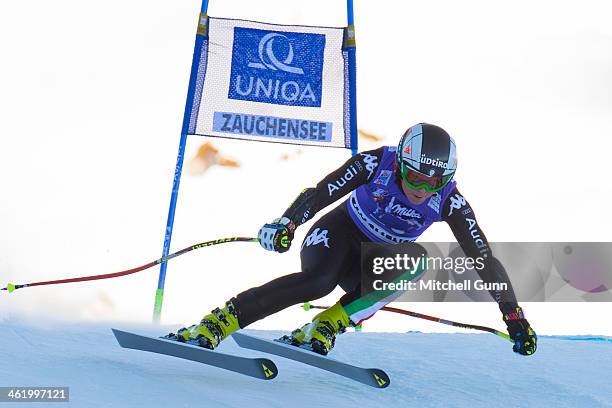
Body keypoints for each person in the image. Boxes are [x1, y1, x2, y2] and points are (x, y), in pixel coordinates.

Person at [170, 123, 537, 356]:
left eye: (434, 183)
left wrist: (513, 314)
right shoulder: (375, 164)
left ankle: (326, 324)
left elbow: (484, 260)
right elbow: (321, 192)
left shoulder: (451, 202)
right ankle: (218, 322)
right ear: (402, 165)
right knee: (318, 282)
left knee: (418, 260)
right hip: (336, 234)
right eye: (416, 178)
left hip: (371, 262)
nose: (422, 190)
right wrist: (288, 222)